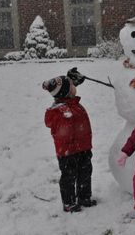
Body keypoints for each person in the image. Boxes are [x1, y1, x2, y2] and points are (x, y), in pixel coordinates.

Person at [43, 72, 97, 213]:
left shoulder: (71, 102)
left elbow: (64, 88)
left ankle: (84, 197)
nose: (75, 87)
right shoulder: (60, 110)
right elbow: (54, 121)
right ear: (66, 92)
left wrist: (72, 81)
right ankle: (69, 202)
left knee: (85, 174)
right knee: (68, 177)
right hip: (68, 153)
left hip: (83, 148)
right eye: (73, 85)